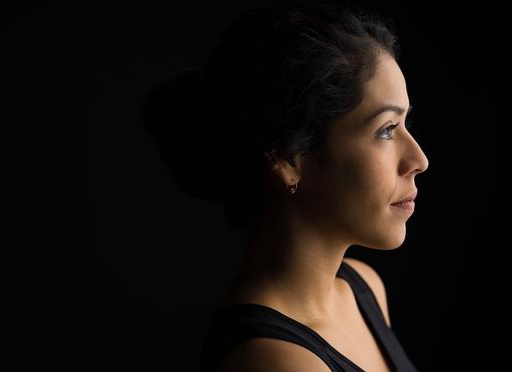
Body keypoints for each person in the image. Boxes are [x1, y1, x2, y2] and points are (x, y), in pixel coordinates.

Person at [142, 1, 428, 371]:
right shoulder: (276, 360)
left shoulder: (364, 287)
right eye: (387, 130)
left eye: (405, 124)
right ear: (288, 159)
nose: (419, 160)